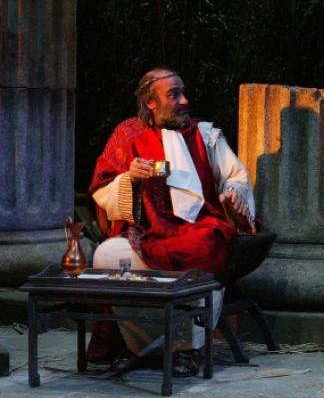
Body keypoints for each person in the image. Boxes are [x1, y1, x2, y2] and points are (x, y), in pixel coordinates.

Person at [88, 67, 256, 377]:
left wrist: (233, 194)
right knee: (107, 256)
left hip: (196, 229)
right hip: (145, 234)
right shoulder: (127, 135)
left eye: (183, 93)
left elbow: (235, 176)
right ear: (150, 102)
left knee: (205, 247)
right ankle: (137, 346)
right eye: (174, 95)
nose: (184, 101)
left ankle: (187, 348)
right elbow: (102, 188)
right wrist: (129, 179)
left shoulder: (204, 135)